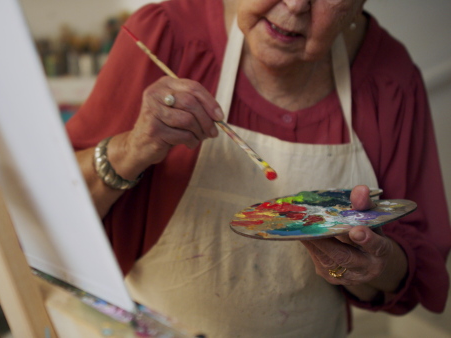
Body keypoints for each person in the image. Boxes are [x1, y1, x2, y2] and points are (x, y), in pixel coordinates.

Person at [66, 0, 451, 336]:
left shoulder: (391, 81)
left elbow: (411, 271)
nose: (297, 4)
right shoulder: (167, 32)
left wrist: (366, 267)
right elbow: (50, 223)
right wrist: (133, 148)